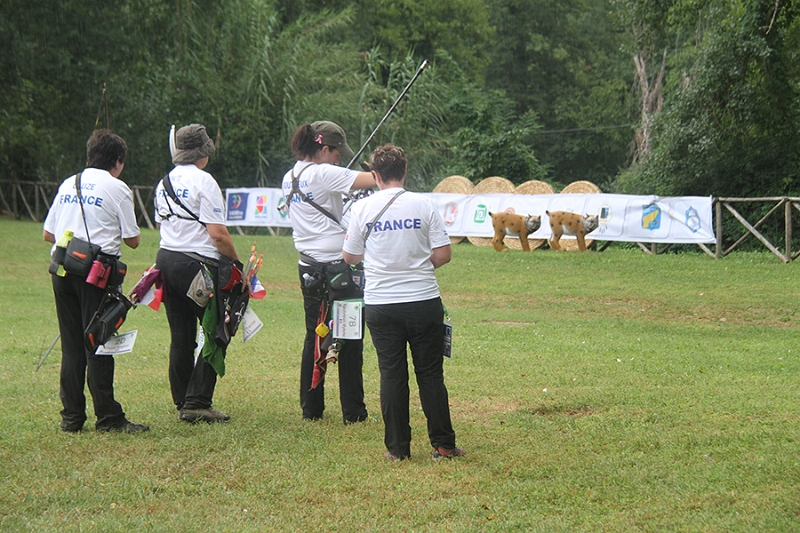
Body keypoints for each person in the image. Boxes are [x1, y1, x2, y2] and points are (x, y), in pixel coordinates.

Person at [342, 144, 464, 461]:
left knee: (392, 376)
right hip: (423, 299)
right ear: (405, 171)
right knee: (430, 375)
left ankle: (397, 450)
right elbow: (444, 254)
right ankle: (443, 445)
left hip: (381, 304)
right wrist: (418, 266)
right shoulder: (424, 205)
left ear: (375, 175)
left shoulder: (362, 208)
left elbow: (350, 256)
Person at [43, 129, 148, 433]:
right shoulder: (118, 188)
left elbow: (48, 234)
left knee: (72, 346)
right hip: (96, 275)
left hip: (63, 270)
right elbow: (133, 241)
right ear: (118, 160)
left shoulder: (69, 183)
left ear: (90, 154)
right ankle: (109, 418)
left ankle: (72, 418)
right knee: (98, 343)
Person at [281, 121, 375, 423]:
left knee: (314, 333)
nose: (339, 158)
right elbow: (377, 179)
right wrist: (371, 167)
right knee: (350, 335)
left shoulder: (289, 176)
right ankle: (353, 412)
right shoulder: (324, 173)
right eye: (336, 153)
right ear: (323, 149)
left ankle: (311, 409)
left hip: (308, 266)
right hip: (339, 268)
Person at [154, 123, 242, 423]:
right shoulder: (205, 181)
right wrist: (237, 264)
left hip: (166, 260)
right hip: (196, 265)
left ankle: (183, 399)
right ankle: (197, 402)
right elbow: (218, 234)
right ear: (202, 152)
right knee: (219, 329)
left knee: (181, 336)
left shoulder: (164, 182)